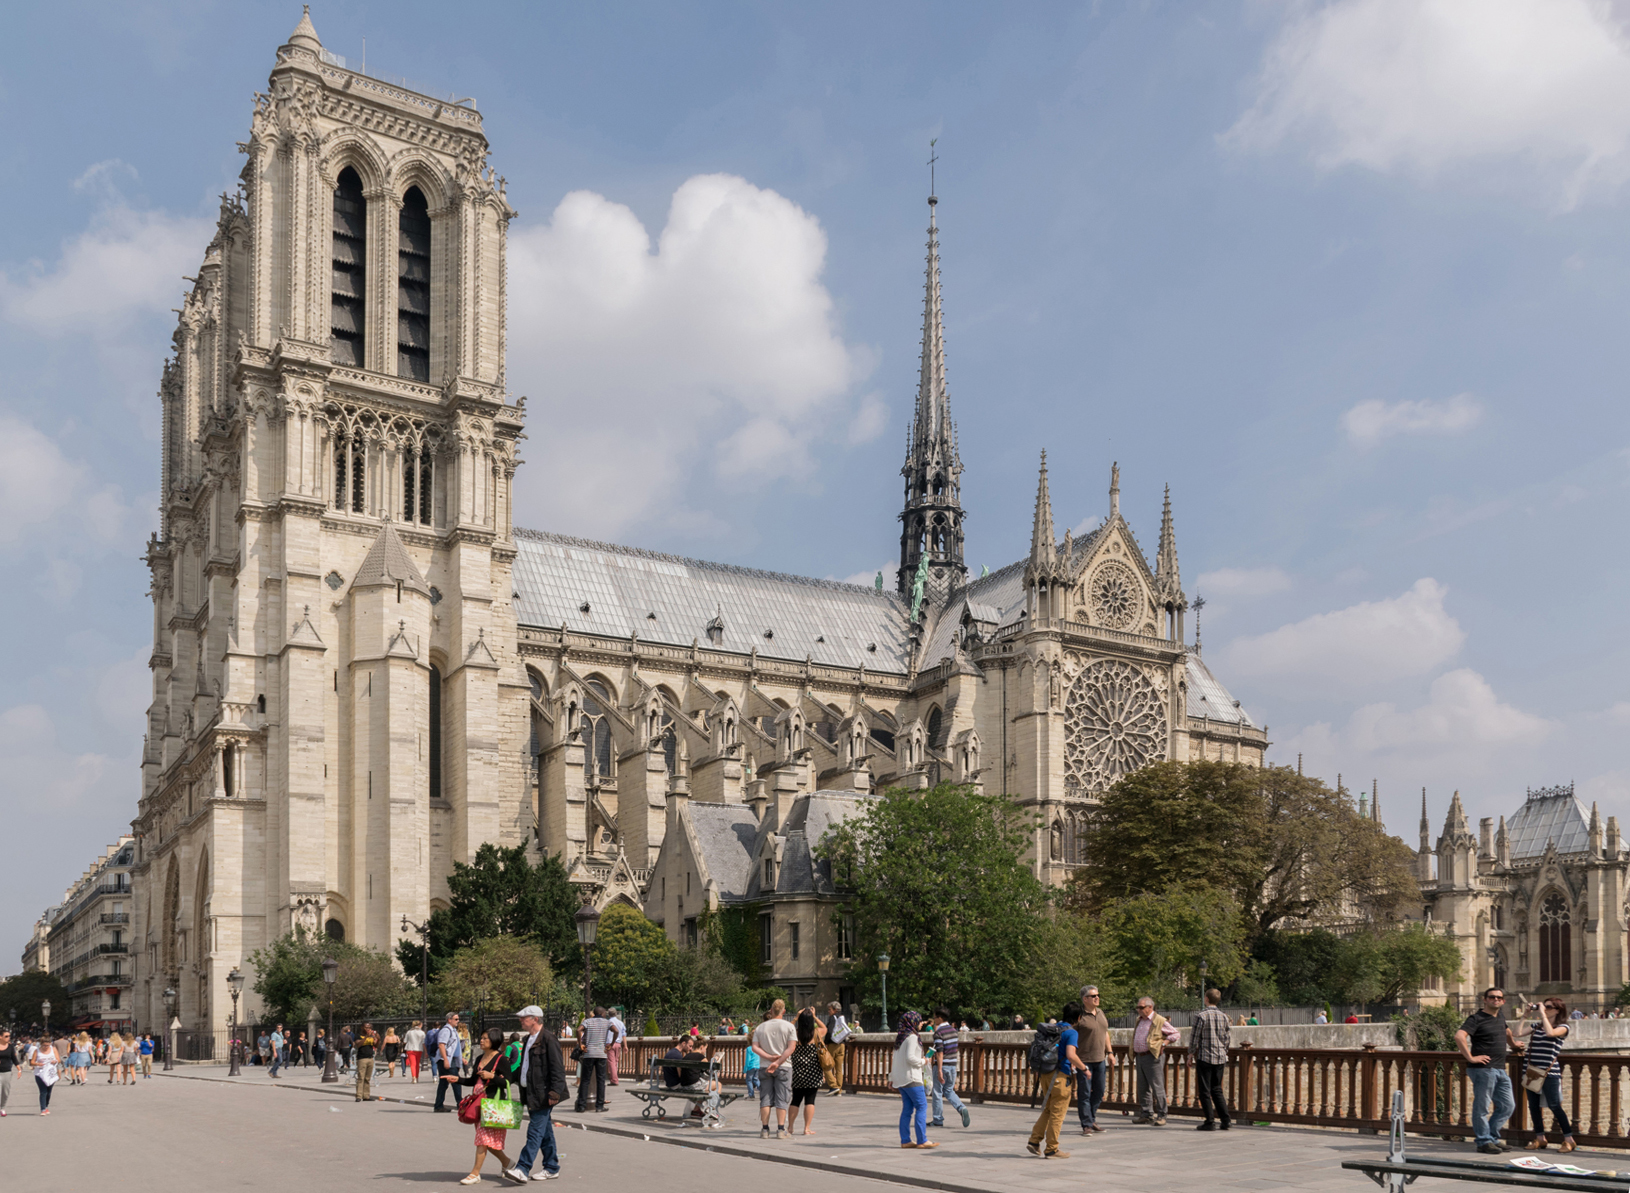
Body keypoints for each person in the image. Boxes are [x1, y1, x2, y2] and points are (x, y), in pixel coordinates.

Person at [504, 1005, 568, 1183]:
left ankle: (522, 1168)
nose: (521, 1020)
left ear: (535, 1019)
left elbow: (557, 1069)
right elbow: (525, 1068)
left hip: (543, 1094)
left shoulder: (548, 1039)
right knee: (544, 1133)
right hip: (531, 1092)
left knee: (534, 1132)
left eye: (524, 1017)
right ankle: (551, 1167)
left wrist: (554, 1093)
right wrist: (507, 1078)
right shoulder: (528, 1039)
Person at [1456, 987, 1520, 1155]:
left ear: (1503, 1001)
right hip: (1483, 1069)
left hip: (1500, 1068)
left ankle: (1491, 1137)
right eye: (1492, 997)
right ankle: (1483, 1141)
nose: (1496, 1000)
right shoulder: (1476, 1018)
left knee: (1508, 1105)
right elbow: (1459, 1036)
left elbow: (1506, 1031)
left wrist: (1513, 1045)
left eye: (1499, 997)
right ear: (1485, 999)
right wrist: (1470, 1057)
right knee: (1482, 1107)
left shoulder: (1500, 1016)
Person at [459, 1028, 517, 1185]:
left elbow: (508, 1082)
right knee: (486, 1141)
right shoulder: (479, 1058)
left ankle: (475, 1173)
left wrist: (492, 1077)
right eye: (481, 1037)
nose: (481, 1040)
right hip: (478, 1103)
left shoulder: (501, 1059)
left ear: (494, 1041)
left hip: (492, 1103)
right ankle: (507, 1163)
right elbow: (473, 1080)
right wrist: (456, 1080)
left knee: (483, 1140)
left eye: (485, 1038)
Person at [1026, 1002, 1078, 1159]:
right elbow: (1071, 1055)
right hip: (1061, 1076)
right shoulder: (1071, 1033)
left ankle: (1034, 1142)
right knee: (1057, 1113)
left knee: (1048, 1109)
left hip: (1046, 1073)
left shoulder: (1054, 1028)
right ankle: (1052, 1149)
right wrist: (1084, 1068)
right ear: (1079, 1017)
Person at [1523, 998, 1574, 1153]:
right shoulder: (1536, 1026)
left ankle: (1569, 1139)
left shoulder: (1563, 1027)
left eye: (1549, 1007)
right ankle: (1540, 1138)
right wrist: (1525, 1016)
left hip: (1549, 1073)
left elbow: (1550, 1033)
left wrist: (1542, 1014)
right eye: (1544, 1006)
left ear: (1558, 1010)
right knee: (1533, 1106)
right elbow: (1517, 1033)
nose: (1546, 1009)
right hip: (1531, 1071)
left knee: (1554, 1106)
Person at [890, 1011, 937, 1150]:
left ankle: (906, 1140)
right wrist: (924, 1060)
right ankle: (922, 1140)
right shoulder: (912, 1037)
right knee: (922, 1106)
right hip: (912, 1078)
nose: (921, 1023)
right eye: (920, 1020)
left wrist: (891, 1078)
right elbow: (910, 1058)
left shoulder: (900, 1037)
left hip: (901, 1079)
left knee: (907, 1110)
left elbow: (896, 1060)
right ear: (913, 1022)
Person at [1129, 997, 1180, 1125]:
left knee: (1157, 1087)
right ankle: (1146, 1114)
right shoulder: (1139, 1020)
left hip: (1152, 1056)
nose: (1138, 1010)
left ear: (1150, 1007)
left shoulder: (1159, 1020)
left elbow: (1175, 1034)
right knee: (1142, 1087)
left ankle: (1162, 1115)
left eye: (1141, 1007)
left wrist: (1164, 1043)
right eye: (1138, 1007)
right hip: (1140, 1056)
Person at [752, 999, 797, 1139]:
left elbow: (754, 1047)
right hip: (783, 1066)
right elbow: (791, 1048)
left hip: (765, 1065)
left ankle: (765, 1129)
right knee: (781, 1098)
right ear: (783, 1011)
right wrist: (777, 1062)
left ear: (771, 1011)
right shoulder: (789, 1027)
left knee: (765, 1098)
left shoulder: (760, 1027)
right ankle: (780, 1129)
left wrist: (769, 1057)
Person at [1074, 986, 1113, 1136]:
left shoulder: (1101, 1013)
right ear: (1085, 999)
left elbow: (1105, 1034)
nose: (1097, 997)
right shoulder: (1079, 1016)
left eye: (1098, 995)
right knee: (1084, 1093)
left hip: (1100, 1059)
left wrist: (1110, 1052)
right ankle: (1087, 1124)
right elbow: (1071, 1035)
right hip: (1084, 1060)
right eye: (1093, 996)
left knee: (1099, 1091)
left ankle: (1091, 1118)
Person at [1192, 988, 1232, 1131]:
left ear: (1206, 999)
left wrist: (1190, 1054)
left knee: (1204, 1091)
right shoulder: (1224, 1017)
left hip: (1205, 1057)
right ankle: (1226, 1120)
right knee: (1217, 1090)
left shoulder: (1201, 1016)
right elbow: (1227, 1039)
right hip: (1220, 1057)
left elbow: (1194, 1038)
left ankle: (1209, 1121)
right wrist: (1223, 1051)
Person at [928, 1007, 971, 1129]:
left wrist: (939, 1070)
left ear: (940, 1018)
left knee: (937, 1092)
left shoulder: (939, 1033)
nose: (934, 1019)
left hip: (943, 1065)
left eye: (935, 1017)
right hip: (952, 1065)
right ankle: (961, 1108)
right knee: (949, 1090)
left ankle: (937, 1119)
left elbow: (940, 1052)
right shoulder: (953, 1031)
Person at [790, 1009, 825, 1135]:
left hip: (797, 1071)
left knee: (796, 1099)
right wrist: (814, 1016)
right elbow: (824, 1027)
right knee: (810, 1100)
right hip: (813, 1071)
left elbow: (788, 1027)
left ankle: (790, 1127)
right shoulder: (817, 1033)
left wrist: (796, 1017)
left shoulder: (794, 1033)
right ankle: (806, 1128)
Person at [573, 1007, 610, 1113]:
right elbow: (615, 1030)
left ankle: (581, 1106)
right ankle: (599, 1106)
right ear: (603, 1013)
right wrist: (611, 1044)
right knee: (601, 1080)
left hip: (589, 1053)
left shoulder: (588, 1021)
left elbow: (578, 1030)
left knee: (585, 1080)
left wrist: (580, 1045)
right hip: (601, 1054)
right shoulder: (606, 1022)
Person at [433, 1013, 466, 1113]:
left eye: (458, 1019)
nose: (458, 1021)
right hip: (447, 1060)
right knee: (456, 1081)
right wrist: (446, 1060)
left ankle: (438, 1105)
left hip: (452, 1059)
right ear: (449, 1020)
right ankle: (460, 1104)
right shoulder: (446, 1030)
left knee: (444, 1083)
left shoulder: (453, 1030)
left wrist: (462, 1058)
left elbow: (455, 1047)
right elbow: (441, 1045)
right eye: (456, 1019)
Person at [824, 1001, 850, 1096]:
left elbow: (830, 1032)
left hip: (833, 1045)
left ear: (835, 1010)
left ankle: (833, 1085)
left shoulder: (832, 1018)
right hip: (842, 1045)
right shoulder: (842, 1018)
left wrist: (825, 1043)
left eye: (829, 1009)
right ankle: (839, 1089)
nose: (828, 1011)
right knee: (839, 1069)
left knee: (826, 1065)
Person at [31, 1034, 60, 1115]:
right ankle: (43, 1109)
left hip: (50, 1073)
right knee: (43, 1091)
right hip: (40, 1074)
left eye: (48, 1045)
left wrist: (55, 1061)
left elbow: (58, 1059)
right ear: (41, 1044)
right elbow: (32, 1062)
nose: (46, 1047)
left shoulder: (53, 1049)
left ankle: (46, 1106)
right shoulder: (37, 1051)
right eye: (44, 1045)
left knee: (49, 1091)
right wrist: (37, 1064)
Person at [354, 1023, 379, 1101]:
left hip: (370, 1058)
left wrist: (378, 1039)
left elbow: (376, 1045)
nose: (368, 1029)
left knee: (367, 1078)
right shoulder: (358, 1036)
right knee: (361, 1077)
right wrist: (366, 1037)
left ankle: (366, 1096)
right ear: (362, 1027)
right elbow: (358, 1045)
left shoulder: (372, 1036)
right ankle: (358, 1096)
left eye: (369, 1027)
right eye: (366, 1027)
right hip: (362, 1058)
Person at [605, 1007, 626, 1087]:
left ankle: (614, 1080)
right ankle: (614, 1077)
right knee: (615, 1062)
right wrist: (625, 1046)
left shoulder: (608, 1022)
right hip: (618, 1043)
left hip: (609, 1043)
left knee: (611, 1062)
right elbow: (624, 1035)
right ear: (616, 1013)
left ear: (608, 1014)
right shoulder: (620, 1023)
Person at [743, 1025, 762, 1100]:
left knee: (749, 1080)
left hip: (751, 1066)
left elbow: (748, 1060)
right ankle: (762, 1090)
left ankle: (751, 1094)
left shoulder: (749, 1048)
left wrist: (745, 1069)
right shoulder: (759, 1048)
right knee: (756, 1079)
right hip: (758, 1066)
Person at [0, 1028, 16, 1116]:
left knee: (5, 1091)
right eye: (6, 1036)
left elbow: (14, 1058)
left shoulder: (10, 1047)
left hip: (7, 1071)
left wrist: (19, 1068)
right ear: (0, 1037)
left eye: (9, 1036)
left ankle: (2, 1108)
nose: (8, 1038)